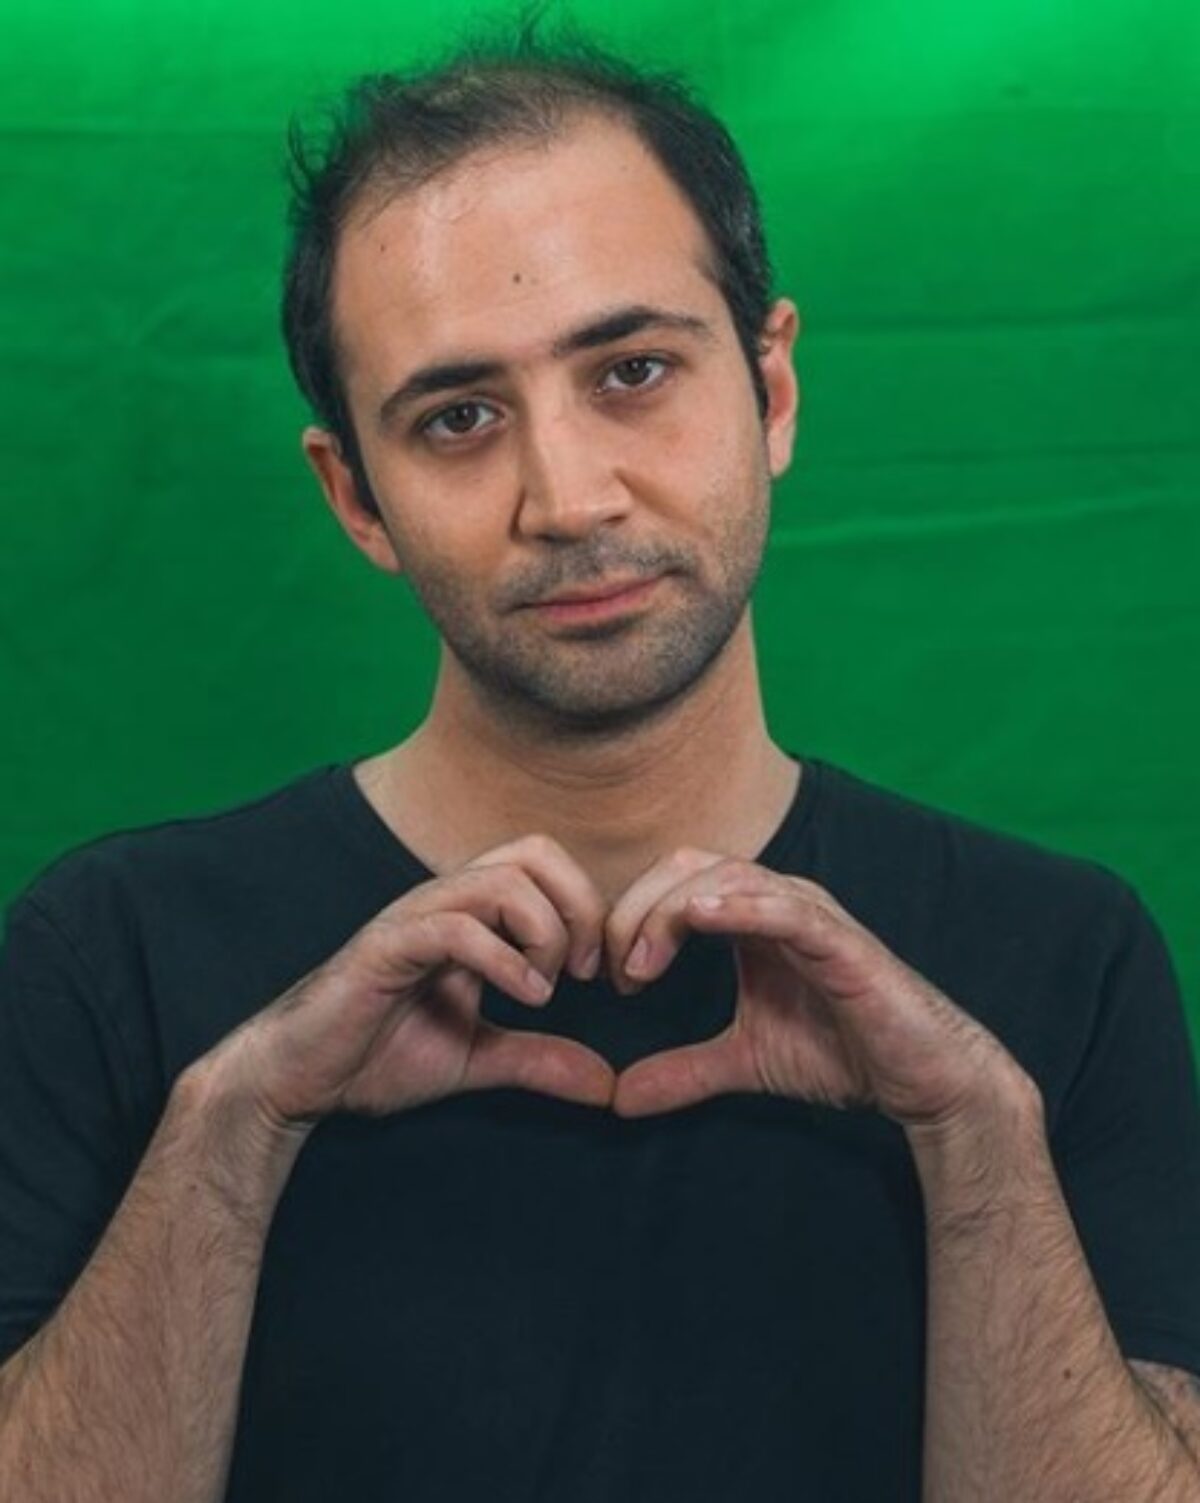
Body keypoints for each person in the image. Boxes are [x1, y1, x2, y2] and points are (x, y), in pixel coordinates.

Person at [1, 27, 1199, 1503]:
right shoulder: (109, 953)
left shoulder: (1064, 959)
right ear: (356, 497)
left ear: (772, 390)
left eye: (633, 371)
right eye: (458, 419)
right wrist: (233, 1135)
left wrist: (975, 1142)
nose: (567, 498)